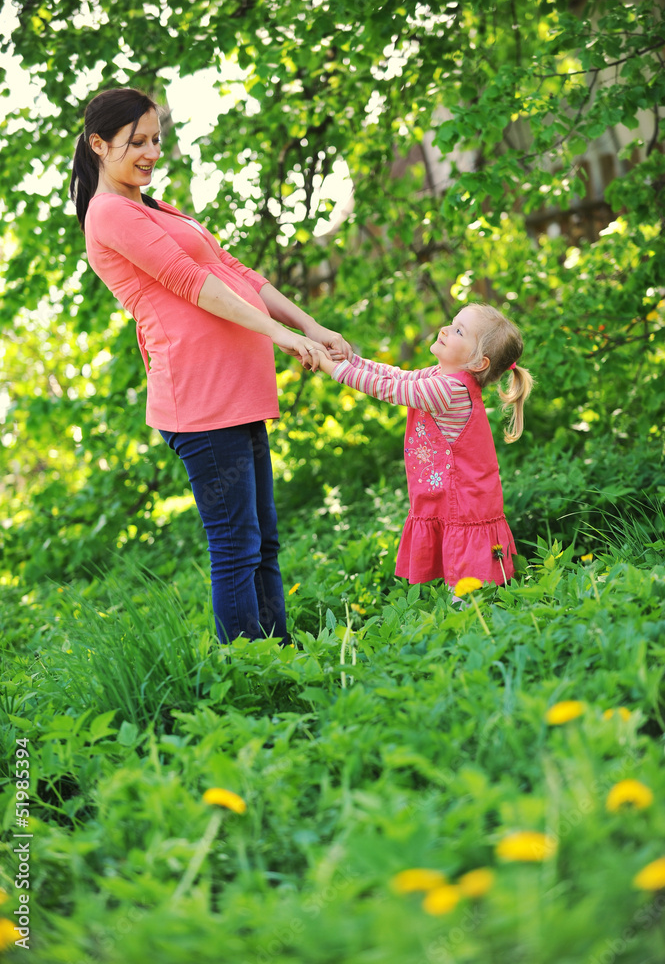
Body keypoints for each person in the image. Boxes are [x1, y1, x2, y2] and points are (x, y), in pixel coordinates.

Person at [70, 86, 351, 644]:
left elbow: (231, 269)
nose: (151, 153)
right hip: (200, 400)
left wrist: (308, 326)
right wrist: (278, 336)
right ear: (99, 145)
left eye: (156, 140)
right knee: (235, 546)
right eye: (137, 142)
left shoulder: (152, 207)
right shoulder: (109, 214)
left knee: (263, 542)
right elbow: (189, 283)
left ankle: (280, 658)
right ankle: (246, 675)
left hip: (236, 390)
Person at [318, 303, 533, 588]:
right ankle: (467, 616)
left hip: (465, 505)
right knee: (461, 576)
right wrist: (348, 359)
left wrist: (331, 367)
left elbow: (389, 389)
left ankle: (469, 619)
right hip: (454, 499)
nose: (445, 329)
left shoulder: (449, 391)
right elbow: (394, 375)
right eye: (452, 322)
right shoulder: (440, 377)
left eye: (459, 330)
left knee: (466, 583)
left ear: (478, 362)